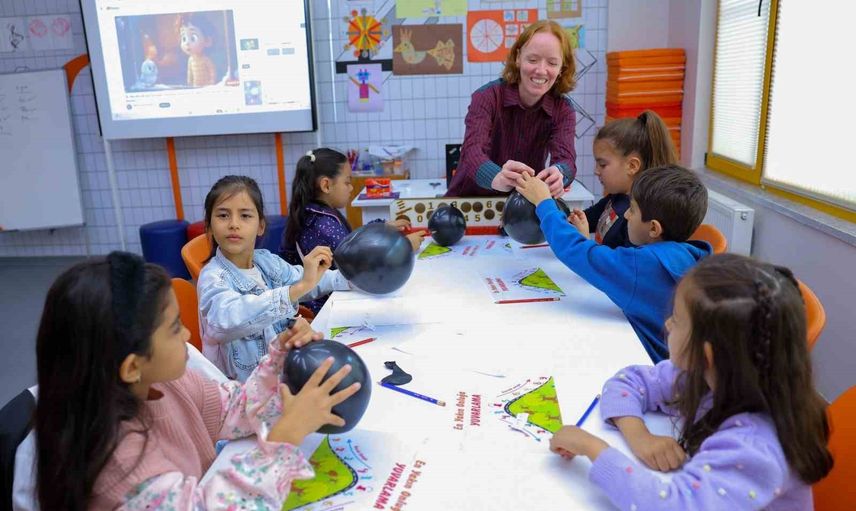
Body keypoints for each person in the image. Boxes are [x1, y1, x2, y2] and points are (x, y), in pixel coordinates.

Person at [34, 251, 361, 509]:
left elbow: (234, 409)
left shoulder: (163, 383)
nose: (188, 335)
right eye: (175, 327)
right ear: (132, 367)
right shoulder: (122, 468)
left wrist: (281, 360)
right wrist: (284, 439)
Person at [548, 254, 833, 510]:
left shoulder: (753, 449)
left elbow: (671, 504)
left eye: (677, 319)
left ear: (706, 354)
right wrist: (639, 435)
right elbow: (629, 380)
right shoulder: (711, 378)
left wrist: (593, 449)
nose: (668, 325)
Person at [515, 165, 711, 361]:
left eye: (632, 210)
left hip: (653, 366)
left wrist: (544, 203)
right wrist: (586, 242)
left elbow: (574, 251)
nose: (626, 215)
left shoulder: (645, 265)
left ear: (653, 228)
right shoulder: (687, 255)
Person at [197, 175, 350, 381]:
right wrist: (298, 288)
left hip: (280, 375)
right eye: (223, 215)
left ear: (260, 226)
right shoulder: (212, 277)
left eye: (245, 215)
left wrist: (355, 278)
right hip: (244, 392)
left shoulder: (267, 262)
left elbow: (311, 280)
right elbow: (225, 320)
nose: (234, 224)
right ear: (209, 226)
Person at [281, 149, 425, 314]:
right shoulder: (321, 224)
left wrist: (383, 226)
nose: (351, 188)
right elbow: (360, 262)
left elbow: (352, 239)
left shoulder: (316, 212)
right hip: (324, 307)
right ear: (326, 185)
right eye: (347, 182)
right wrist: (404, 246)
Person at [446, 20, 577, 198]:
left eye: (552, 63)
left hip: (523, 202)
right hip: (470, 199)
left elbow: (566, 160)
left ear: (562, 68)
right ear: (517, 58)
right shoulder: (487, 97)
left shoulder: (563, 109)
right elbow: (472, 152)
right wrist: (497, 177)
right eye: (532, 60)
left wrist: (560, 173)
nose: (541, 70)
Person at [570, 110, 677, 248]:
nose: (596, 171)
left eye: (602, 164)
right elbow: (585, 219)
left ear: (632, 166)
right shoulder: (615, 198)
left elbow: (621, 261)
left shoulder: (637, 219)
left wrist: (585, 243)